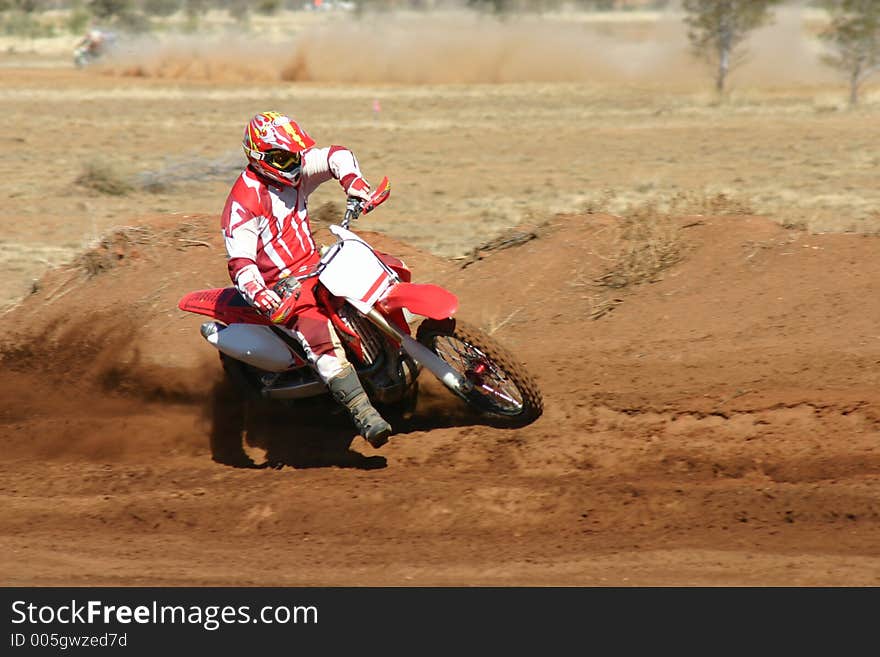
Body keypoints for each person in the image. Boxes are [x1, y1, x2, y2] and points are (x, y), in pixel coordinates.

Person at [220, 111, 393, 448]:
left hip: (317, 265)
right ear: (260, 158)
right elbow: (241, 262)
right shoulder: (243, 203)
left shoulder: (293, 171)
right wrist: (261, 294)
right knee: (317, 334)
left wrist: (354, 184)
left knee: (379, 272)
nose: (295, 163)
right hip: (282, 288)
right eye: (284, 157)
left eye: (296, 155)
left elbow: (335, 155)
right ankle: (363, 413)